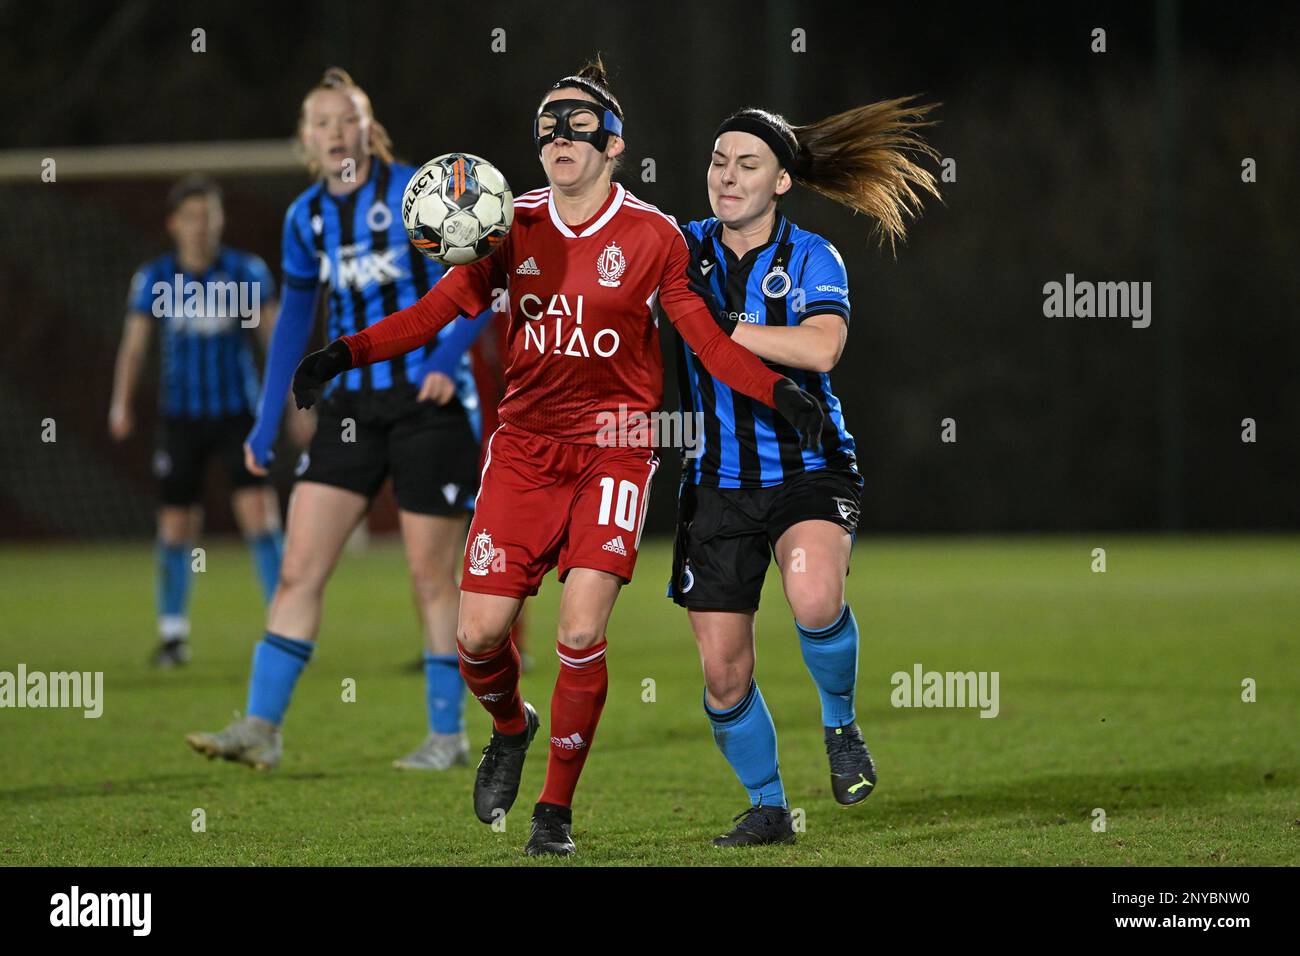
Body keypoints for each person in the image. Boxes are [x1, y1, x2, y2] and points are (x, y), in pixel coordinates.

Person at [290, 56, 826, 856]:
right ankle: (512, 726)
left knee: (579, 631)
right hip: (525, 452)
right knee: (477, 635)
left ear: (613, 143)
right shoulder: (509, 226)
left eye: (578, 124)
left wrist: (776, 392)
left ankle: (554, 812)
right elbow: (435, 311)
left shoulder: (654, 236)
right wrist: (343, 352)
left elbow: (708, 343)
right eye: (548, 125)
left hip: (618, 449)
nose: (559, 136)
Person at [185, 68, 490, 772]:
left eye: (346, 119)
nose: (334, 132)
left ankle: (447, 736)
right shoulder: (305, 217)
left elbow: (484, 289)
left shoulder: (423, 193)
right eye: (320, 122)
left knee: (429, 578)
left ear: (367, 129)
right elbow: (294, 323)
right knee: (298, 569)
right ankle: (262, 728)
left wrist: (446, 356)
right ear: (305, 139)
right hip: (350, 410)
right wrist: (265, 423)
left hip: (429, 407)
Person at [670, 101, 941, 846]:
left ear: (782, 181)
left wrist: (722, 329)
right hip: (715, 483)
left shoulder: (813, 257)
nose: (727, 176)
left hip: (810, 465)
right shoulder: (680, 248)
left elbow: (822, 348)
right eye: (719, 161)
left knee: (815, 593)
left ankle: (840, 725)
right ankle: (767, 807)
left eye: (746, 164)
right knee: (724, 675)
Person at [110, 175, 283, 668]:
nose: (200, 227)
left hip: (238, 416)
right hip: (180, 419)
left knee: (259, 516)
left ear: (220, 221)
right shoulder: (155, 279)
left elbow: (274, 341)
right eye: (191, 217)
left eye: (209, 215)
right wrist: (119, 403)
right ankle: (172, 635)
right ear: (174, 224)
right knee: (176, 525)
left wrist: (291, 405)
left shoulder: (246, 273)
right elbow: (135, 344)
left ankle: (284, 625)